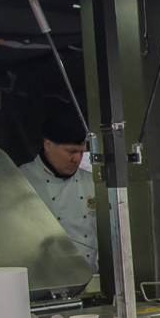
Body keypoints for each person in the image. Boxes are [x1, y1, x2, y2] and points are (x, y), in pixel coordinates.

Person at [18, 103, 97, 272]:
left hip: (91, 279)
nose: (77, 159)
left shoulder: (92, 183)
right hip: (44, 278)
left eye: (81, 152)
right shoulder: (21, 181)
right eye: (70, 151)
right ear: (48, 145)